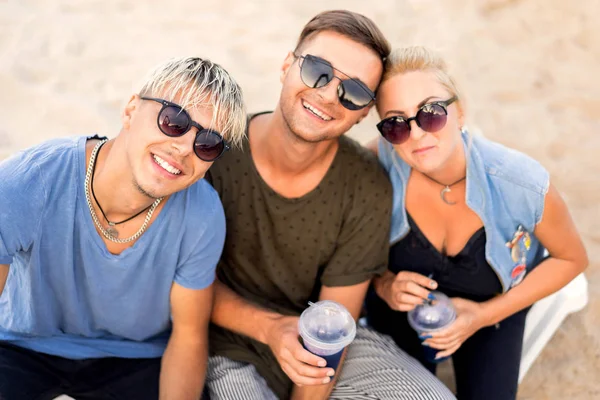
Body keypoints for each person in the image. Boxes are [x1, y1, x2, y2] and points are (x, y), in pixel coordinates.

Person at [204, 11, 456, 400]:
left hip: (323, 335)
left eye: (353, 91)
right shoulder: (214, 150)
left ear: (362, 114)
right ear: (288, 65)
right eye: (318, 70)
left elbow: (335, 322)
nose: (327, 94)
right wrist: (272, 329)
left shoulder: (367, 183)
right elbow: (180, 283)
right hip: (225, 341)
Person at [0, 57, 246, 400]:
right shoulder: (29, 180)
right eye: (173, 121)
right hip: (22, 346)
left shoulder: (202, 214)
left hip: (135, 357)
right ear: (131, 110)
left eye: (207, 143)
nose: (183, 148)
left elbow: (188, 337)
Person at [365, 46, 589, 400]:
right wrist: (383, 283)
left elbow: (571, 259)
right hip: (399, 308)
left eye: (431, 113)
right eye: (396, 123)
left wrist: (484, 315)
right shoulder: (376, 164)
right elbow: (343, 246)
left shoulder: (522, 183)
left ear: (461, 112)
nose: (417, 134)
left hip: (493, 307)